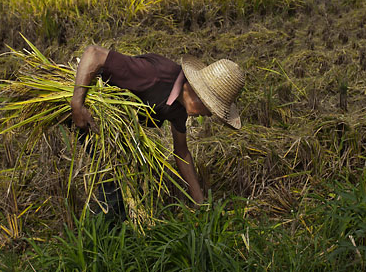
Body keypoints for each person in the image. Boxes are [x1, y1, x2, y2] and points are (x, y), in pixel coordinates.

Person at [71, 45, 245, 206]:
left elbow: (182, 152)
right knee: (117, 180)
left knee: (130, 181)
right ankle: (103, 233)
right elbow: (93, 54)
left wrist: (199, 201)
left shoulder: (180, 109)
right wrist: (77, 105)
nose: (207, 114)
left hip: (120, 128)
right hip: (92, 113)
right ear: (196, 91)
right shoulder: (153, 75)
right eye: (209, 107)